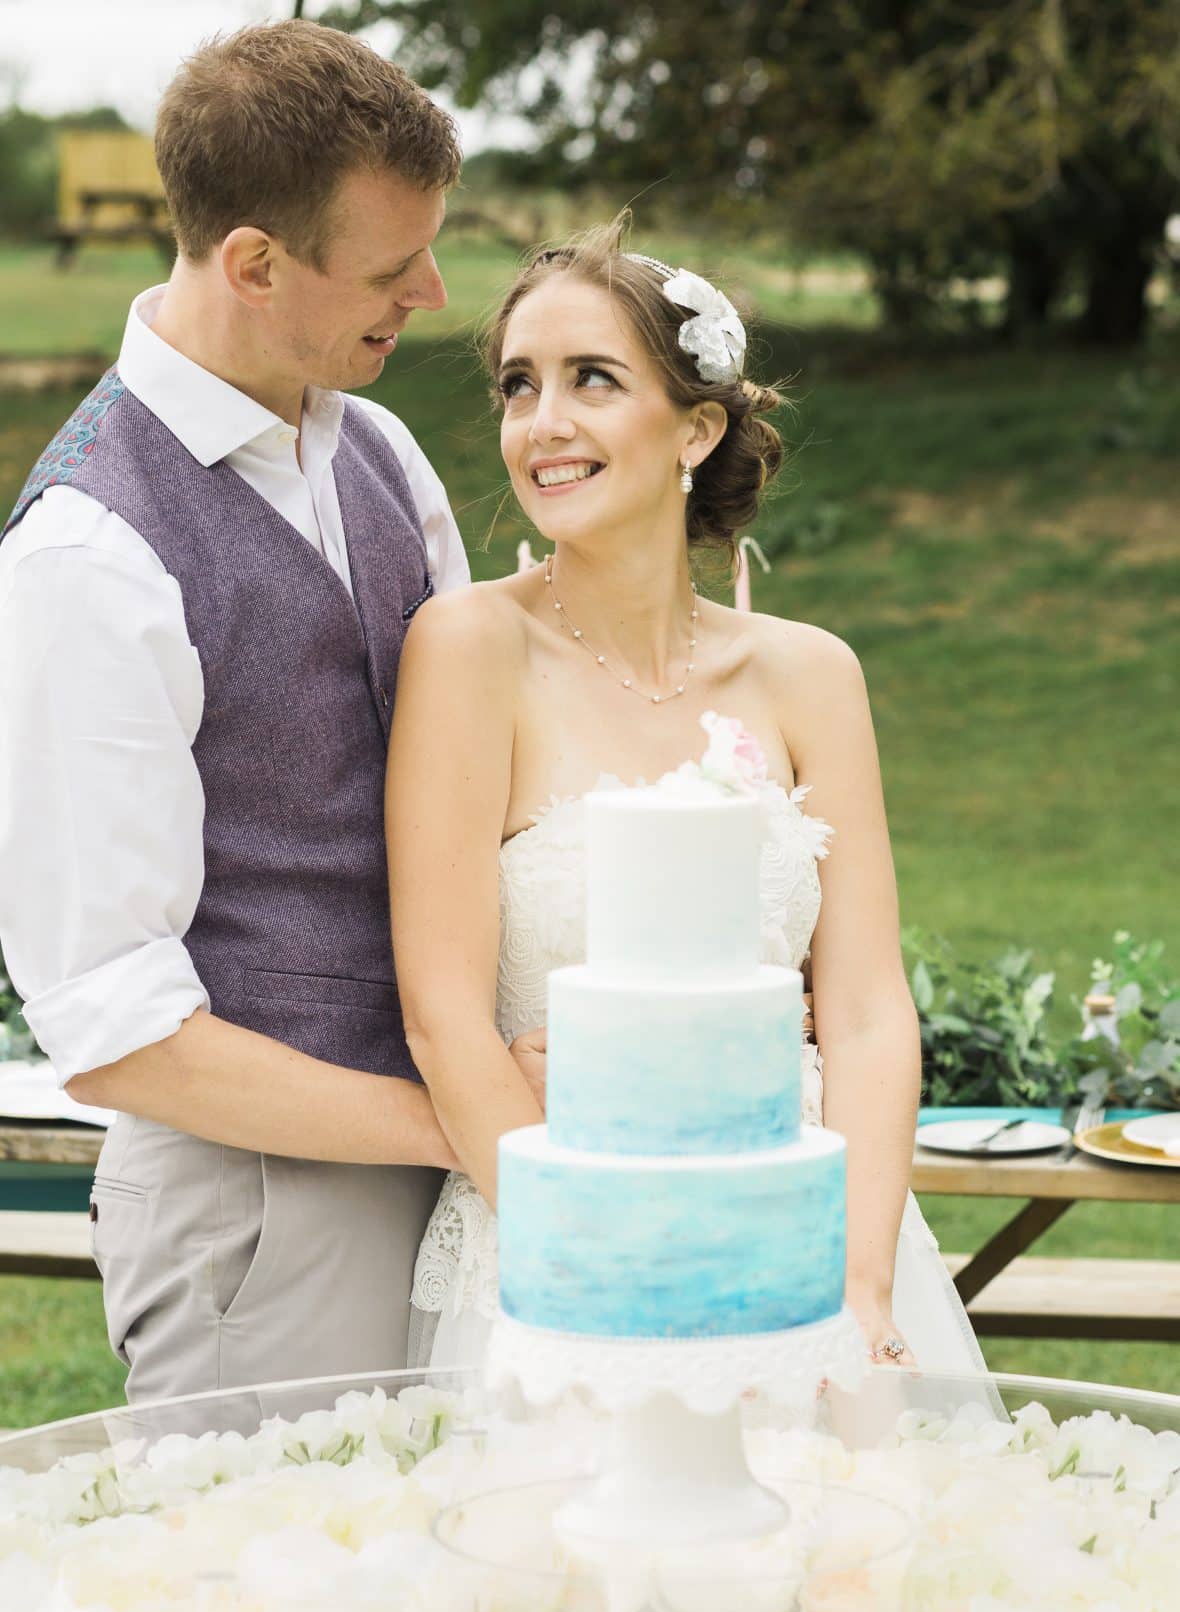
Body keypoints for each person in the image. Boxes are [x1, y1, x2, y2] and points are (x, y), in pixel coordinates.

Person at [0, 21, 540, 1403]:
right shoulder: (84, 558)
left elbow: (480, 782)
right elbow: (118, 1025)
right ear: (251, 263)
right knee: (267, 1609)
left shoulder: (380, 446)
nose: (431, 291)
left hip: (457, 1175)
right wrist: (472, 1123)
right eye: (387, 264)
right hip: (262, 1220)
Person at [388, 221, 989, 1379]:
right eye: (520, 385)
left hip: (803, 1225)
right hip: (562, 1256)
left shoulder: (812, 675)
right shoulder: (468, 650)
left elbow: (865, 1013)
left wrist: (853, 1285)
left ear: (697, 428)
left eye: (592, 381)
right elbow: (443, 1018)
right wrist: (617, 1270)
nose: (542, 423)